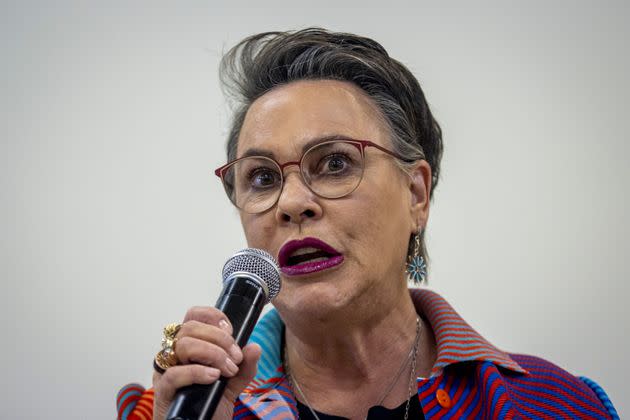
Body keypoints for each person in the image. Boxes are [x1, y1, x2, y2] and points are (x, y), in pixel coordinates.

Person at [117, 28, 618, 420]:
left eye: (335, 163)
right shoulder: (171, 409)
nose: (291, 203)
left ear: (416, 194)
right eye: (262, 177)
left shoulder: (556, 404)